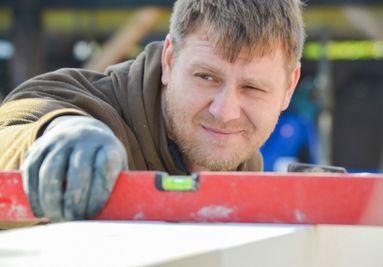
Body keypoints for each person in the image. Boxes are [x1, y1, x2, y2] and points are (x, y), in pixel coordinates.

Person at [0, 0, 304, 222]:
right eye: (206, 77)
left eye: (252, 88)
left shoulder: (244, 162)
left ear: (288, 88)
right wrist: (58, 134)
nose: (225, 112)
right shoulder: (93, 107)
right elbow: (18, 125)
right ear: (170, 60)